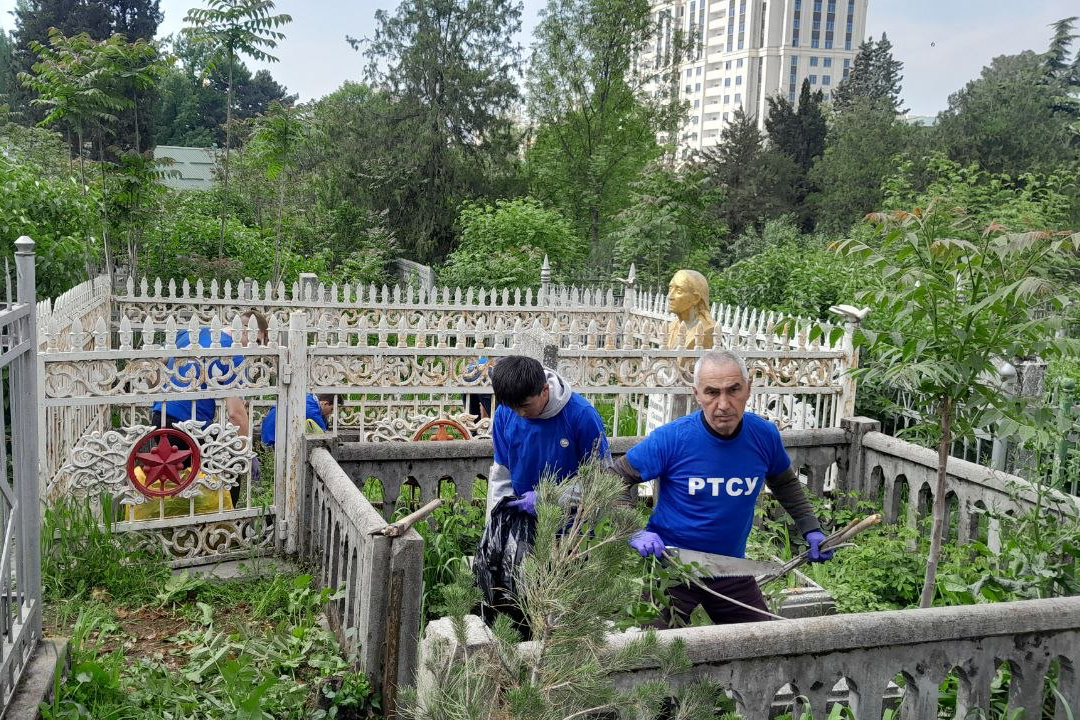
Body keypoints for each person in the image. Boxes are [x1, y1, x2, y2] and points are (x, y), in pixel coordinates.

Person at [613, 349, 833, 628]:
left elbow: (784, 482)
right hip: (671, 569)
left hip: (729, 568)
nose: (724, 404)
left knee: (763, 642)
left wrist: (811, 528)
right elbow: (615, 477)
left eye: (733, 390)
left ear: (748, 389)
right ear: (697, 394)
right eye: (712, 392)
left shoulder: (764, 436)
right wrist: (633, 529)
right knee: (651, 647)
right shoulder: (672, 440)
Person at [148, 310, 268, 507]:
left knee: (178, 487)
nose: (255, 349)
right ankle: (227, 516)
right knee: (230, 464)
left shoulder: (192, 334)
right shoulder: (233, 353)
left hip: (160, 419)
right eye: (257, 341)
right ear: (247, 330)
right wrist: (247, 453)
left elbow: (155, 365)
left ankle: (183, 519)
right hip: (190, 429)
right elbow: (236, 414)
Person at [485, 355, 610, 520]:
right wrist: (500, 517)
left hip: (570, 523)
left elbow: (601, 480)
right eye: (512, 407)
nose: (520, 414)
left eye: (525, 406)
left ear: (545, 390)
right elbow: (502, 474)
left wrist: (546, 498)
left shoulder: (582, 416)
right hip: (521, 519)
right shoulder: (504, 413)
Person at [666, 269, 716, 350]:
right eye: (670, 289)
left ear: (696, 298)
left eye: (679, 291)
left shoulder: (705, 331)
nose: (670, 296)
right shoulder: (672, 326)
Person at [260, 394, 334, 446]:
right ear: (325, 403)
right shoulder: (312, 410)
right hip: (274, 439)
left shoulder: (309, 399)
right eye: (331, 409)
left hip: (269, 434)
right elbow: (323, 436)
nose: (331, 413)